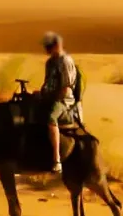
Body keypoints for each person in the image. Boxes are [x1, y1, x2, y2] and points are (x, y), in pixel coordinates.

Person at [40, 31, 78, 174]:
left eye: (49, 47)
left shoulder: (65, 61)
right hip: (49, 97)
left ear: (57, 45)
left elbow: (66, 88)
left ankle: (57, 160)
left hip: (63, 100)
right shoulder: (50, 62)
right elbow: (48, 83)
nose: (47, 50)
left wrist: (51, 97)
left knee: (50, 118)